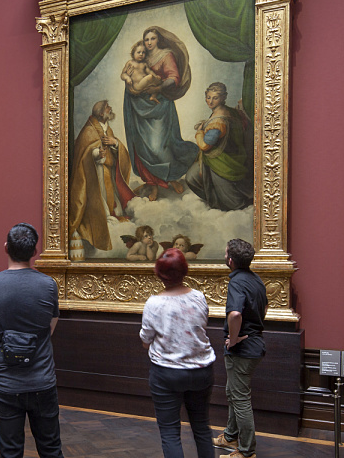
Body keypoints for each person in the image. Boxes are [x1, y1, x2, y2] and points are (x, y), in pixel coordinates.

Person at [0, 223, 63, 458]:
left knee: (11, 452)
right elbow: (50, 328)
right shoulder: (49, 285)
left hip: (5, 382)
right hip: (42, 380)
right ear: (34, 252)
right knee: (51, 449)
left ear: (6, 248)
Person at [139, 247, 216, 458]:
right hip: (201, 370)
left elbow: (146, 341)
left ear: (159, 274)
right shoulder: (199, 297)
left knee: (170, 432)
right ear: (185, 270)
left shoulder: (154, 304)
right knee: (202, 428)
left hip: (167, 373)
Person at [121, 26, 198, 197]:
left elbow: (174, 78)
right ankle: (152, 183)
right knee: (141, 145)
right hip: (139, 105)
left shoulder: (166, 55)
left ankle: (170, 178)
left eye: (152, 39)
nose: (149, 43)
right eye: (146, 39)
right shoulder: (141, 56)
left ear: (159, 39)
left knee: (160, 146)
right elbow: (128, 75)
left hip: (160, 106)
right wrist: (131, 85)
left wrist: (158, 87)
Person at [215, 238, 266, 458]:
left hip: (243, 349)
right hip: (254, 345)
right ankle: (229, 436)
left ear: (230, 260)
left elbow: (235, 314)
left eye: (226, 253)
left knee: (240, 398)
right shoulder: (256, 280)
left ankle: (246, 451)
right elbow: (262, 308)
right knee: (233, 392)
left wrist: (234, 340)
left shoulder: (236, 282)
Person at [69, 100, 133, 257]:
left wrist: (115, 143)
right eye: (107, 108)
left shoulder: (107, 129)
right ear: (101, 113)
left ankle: (110, 218)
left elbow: (119, 151)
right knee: (102, 206)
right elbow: (83, 153)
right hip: (95, 176)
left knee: (113, 206)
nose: (110, 109)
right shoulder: (88, 131)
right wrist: (97, 154)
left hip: (109, 174)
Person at [184, 82, 252, 211]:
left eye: (215, 98)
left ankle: (219, 203)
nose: (210, 101)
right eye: (208, 97)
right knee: (192, 177)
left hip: (222, 163)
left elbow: (204, 145)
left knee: (232, 203)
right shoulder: (229, 111)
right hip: (227, 157)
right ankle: (215, 200)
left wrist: (199, 131)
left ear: (223, 98)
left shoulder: (218, 121)